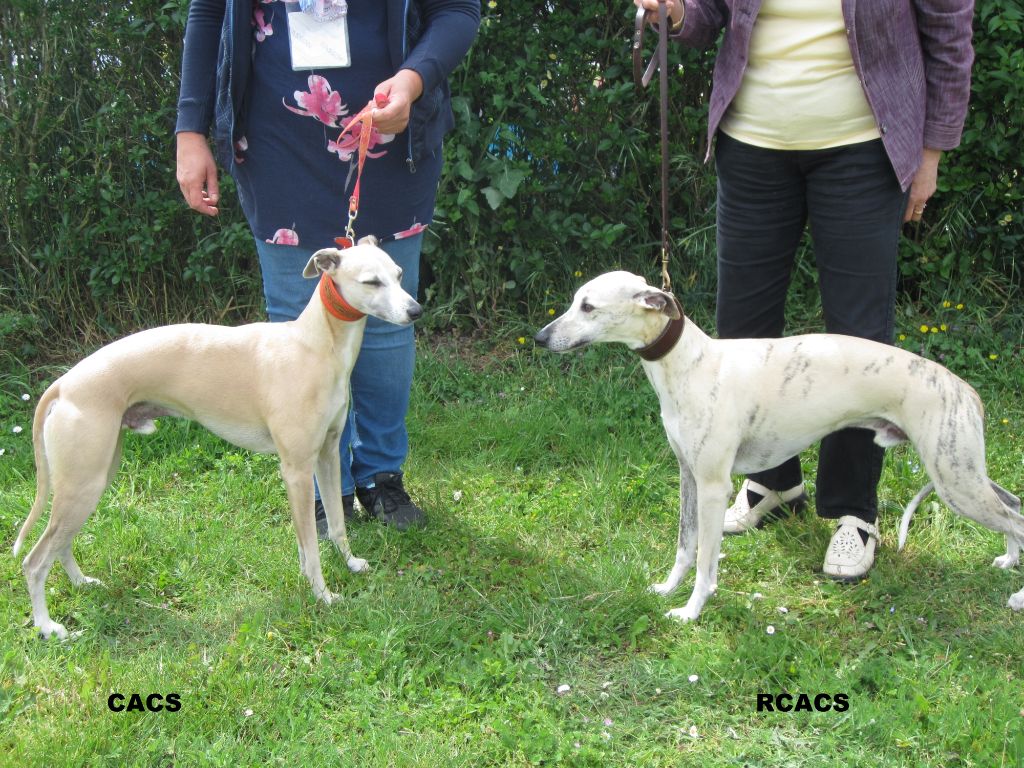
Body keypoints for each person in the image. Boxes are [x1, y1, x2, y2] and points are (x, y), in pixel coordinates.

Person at [635, 0, 974, 579]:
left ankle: (852, 512)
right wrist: (673, 15)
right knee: (743, 326)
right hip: (752, 145)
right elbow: (709, 16)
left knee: (859, 337)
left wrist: (932, 149)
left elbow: (948, 27)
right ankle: (772, 482)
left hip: (864, 146)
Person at [176, 0, 480, 532]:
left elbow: (456, 9)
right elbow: (209, 13)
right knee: (298, 322)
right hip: (275, 137)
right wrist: (190, 127)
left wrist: (412, 80)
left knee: (385, 320)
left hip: (387, 133)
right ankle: (324, 487)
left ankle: (381, 478)